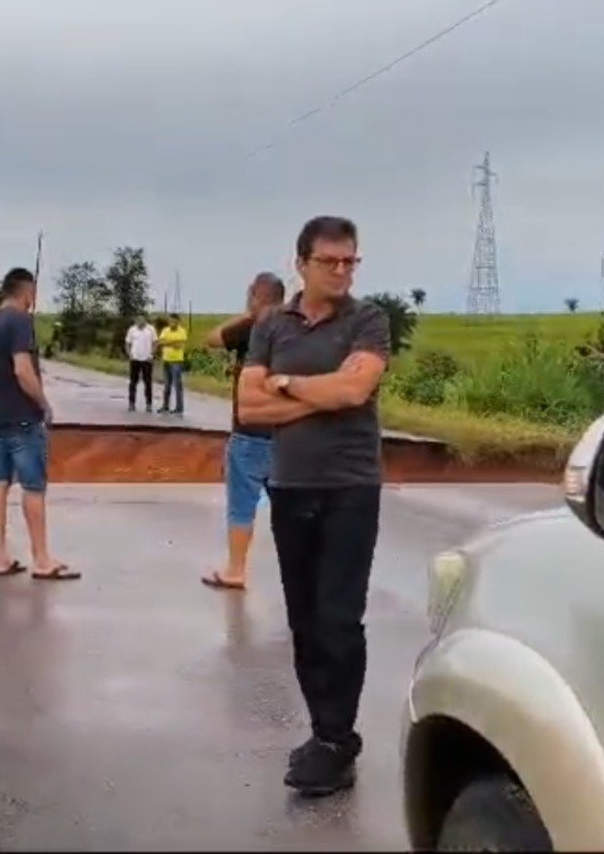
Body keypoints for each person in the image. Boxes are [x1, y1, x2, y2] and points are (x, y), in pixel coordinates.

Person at [237, 215, 391, 797]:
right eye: (331, 261)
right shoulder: (273, 324)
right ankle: (322, 730)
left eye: (351, 260)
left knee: (338, 615)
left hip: (350, 487)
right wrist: (316, 393)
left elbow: (355, 390)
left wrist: (284, 385)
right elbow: (248, 409)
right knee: (303, 617)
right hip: (292, 484)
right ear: (301, 263)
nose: (343, 271)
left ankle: (336, 737)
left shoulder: (368, 319)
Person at [0, 267, 81, 581]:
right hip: (24, 416)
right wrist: (43, 403)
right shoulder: (21, 321)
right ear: (25, 292)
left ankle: (0, 557)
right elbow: (23, 369)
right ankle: (41, 558)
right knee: (33, 487)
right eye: (33, 294)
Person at [200, 272, 286, 592]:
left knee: (241, 505)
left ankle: (235, 570)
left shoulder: (251, 326)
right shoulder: (294, 327)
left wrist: (249, 314)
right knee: (291, 509)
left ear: (254, 296)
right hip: (287, 434)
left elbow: (212, 339)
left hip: (249, 431)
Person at [123, 315, 157, 412]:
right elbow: (127, 343)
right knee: (133, 382)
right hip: (135, 359)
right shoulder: (132, 330)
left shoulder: (151, 329)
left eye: (142, 321)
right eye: (138, 322)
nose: (140, 323)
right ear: (136, 322)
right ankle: (131, 403)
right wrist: (130, 354)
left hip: (147, 359)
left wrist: (152, 355)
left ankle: (149, 404)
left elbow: (155, 343)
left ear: (145, 321)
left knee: (148, 382)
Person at [157, 313, 188, 414]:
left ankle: (179, 408)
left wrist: (167, 342)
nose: (172, 323)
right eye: (170, 321)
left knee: (177, 385)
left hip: (176, 361)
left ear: (178, 322)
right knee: (166, 385)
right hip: (166, 360)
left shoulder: (182, 331)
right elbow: (160, 342)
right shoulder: (165, 330)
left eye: (174, 321)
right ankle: (165, 406)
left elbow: (179, 345)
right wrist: (172, 343)